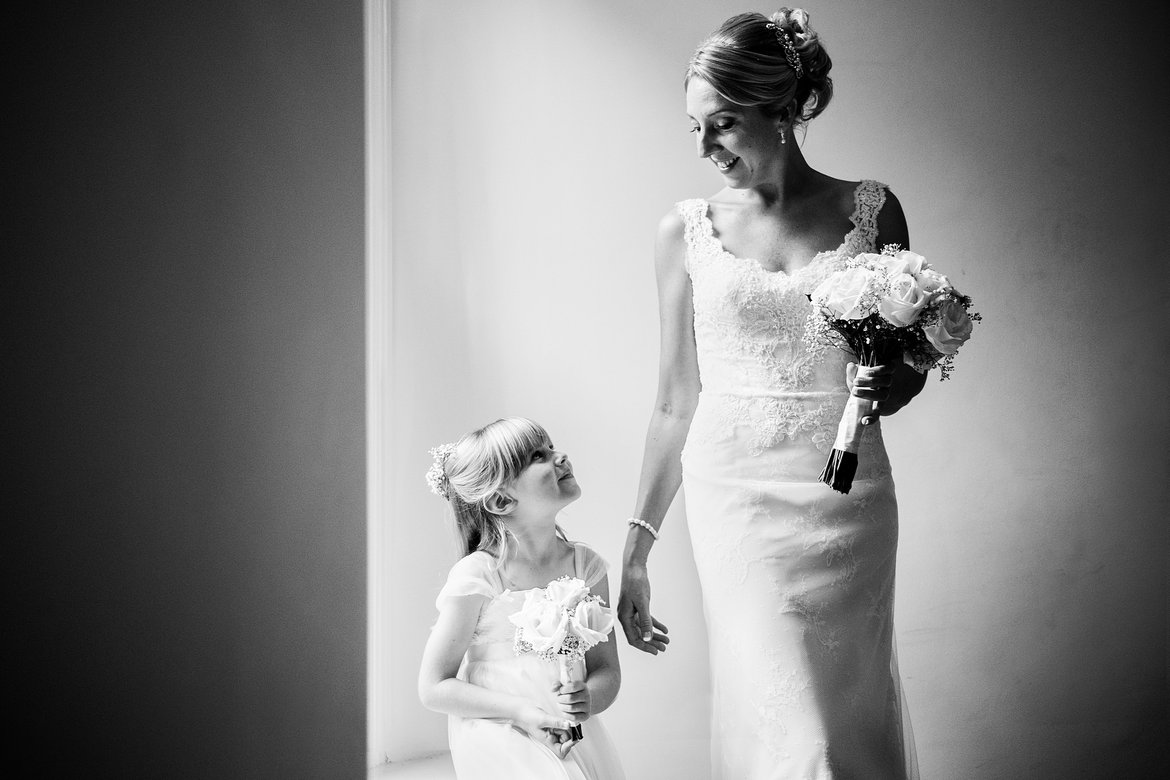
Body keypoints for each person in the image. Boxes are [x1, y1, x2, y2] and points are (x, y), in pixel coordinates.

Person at [617, 8, 926, 779]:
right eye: (693, 127)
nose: (704, 148)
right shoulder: (683, 230)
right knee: (787, 722)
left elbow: (903, 373)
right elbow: (673, 401)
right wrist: (636, 547)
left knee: (842, 720)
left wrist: (891, 382)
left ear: (782, 111)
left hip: (848, 500)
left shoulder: (873, 209)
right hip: (737, 503)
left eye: (721, 123)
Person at [418, 417, 626, 780]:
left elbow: (606, 669)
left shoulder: (587, 567)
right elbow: (434, 687)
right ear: (501, 500)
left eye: (552, 446)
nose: (560, 457)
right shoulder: (479, 576)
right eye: (538, 456)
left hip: (567, 733)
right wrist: (520, 711)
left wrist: (589, 698)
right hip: (501, 728)